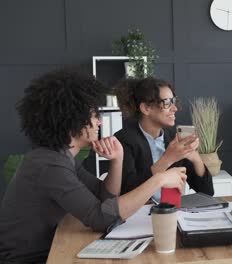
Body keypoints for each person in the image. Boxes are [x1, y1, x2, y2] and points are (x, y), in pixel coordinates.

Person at [0, 69, 187, 263]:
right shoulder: (49, 165)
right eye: (93, 115)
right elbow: (101, 218)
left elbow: (103, 196)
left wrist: (117, 159)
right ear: (71, 120)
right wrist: (160, 179)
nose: (99, 121)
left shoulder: (60, 158)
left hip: (51, 250)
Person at [110, 77, 213, 199]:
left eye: (173, 101)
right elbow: (127, 190)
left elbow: (207, 192)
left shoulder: (173, 139)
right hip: (139, 213)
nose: (175, 108)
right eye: (167, 103)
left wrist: (196, 158)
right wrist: (167, 159)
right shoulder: (123, 140)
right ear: (146, 108)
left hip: (173, 211)